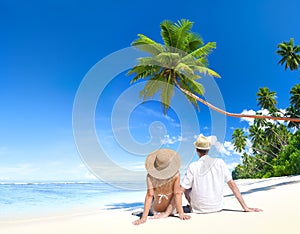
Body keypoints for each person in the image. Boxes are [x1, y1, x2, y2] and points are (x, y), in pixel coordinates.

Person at [181, 135, 262, 213]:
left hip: (198, 210)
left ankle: (191, 206)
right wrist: (245, 207)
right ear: (208, 150)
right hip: (217, 208)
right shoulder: (220, 163)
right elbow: (232, 185)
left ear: (196, 150)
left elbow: (181, 190)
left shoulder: (193, 166)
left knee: (186, 187)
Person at [132, 148, 191, 225]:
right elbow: (177, 194)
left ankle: (147, 213)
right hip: (172, 211)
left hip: (155, 211)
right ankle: (172, 212)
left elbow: (149, 196)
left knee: (152, 197)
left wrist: (143, 218)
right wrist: (181, 214)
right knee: (178, 191)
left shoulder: (150, 176)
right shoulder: (176, 175)